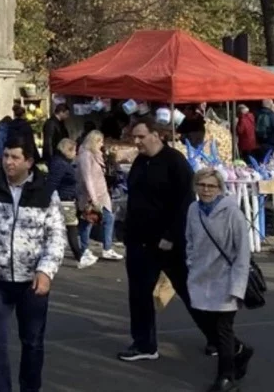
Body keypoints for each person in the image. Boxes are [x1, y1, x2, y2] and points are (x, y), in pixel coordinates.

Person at [0, 138, 66, 392]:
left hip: (32, 282)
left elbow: (56, 235)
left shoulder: (46, 191)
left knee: (33, 342)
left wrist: (46, 270)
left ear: (29, 161)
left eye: (14, 157)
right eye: (5, 156)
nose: (8, 162)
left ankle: (30, 387)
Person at [118, 123, 211, 362]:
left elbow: (186, 202)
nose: (137, 141)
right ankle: (144, 344)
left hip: (168, 243)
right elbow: (135, 198)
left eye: (141, 136)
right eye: (134, 137)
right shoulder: (139, 162)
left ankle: (217, 337)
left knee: (189, 291)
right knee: (139, 294)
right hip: (139, 241)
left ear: (156, 135)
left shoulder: (174, 161)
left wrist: (171, 236)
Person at [187, 168, 255, 392]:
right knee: (210, 327)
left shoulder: (232, 212)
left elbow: (243, 252)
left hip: (227, 279)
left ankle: (225, 378)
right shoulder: (193, 210)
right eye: (202, 185)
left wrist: (238, 286)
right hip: (200, 278)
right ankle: (241, 350)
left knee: (223, 329)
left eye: (211, 186)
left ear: (220, 189)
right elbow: (189, 239)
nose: (206, 190)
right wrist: (191, 263)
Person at [76, 131, 121, 268]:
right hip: (90, 195)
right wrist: (93, 197)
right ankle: (84, 249)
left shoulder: (97, 155)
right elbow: (87, 177)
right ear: (93, 141)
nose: (102, 144)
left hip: (102, 192)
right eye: (100, 141)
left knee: (108, 218)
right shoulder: (85, 155)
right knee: (88, 222)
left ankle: (107, 248)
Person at [47, 138, 84, 265]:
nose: (76, 154)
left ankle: (77, 254)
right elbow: (53, 183)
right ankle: (79, 255)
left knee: (67, 228)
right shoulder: (61, 164)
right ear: (68, 150)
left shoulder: (60, 162)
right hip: (65, 200)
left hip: (65, 199)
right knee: (71, 227)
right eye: (74, 151)